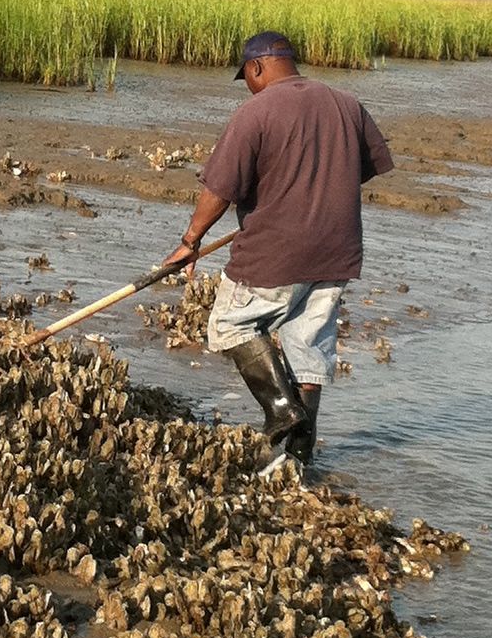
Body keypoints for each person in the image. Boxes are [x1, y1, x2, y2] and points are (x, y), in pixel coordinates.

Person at [169, 30, 394, 475]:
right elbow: (362, 169)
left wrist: (190, 241)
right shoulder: (348, 104)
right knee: (307, 349)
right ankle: (297, 459)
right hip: (337, 252)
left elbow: (220, 190)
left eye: (247, 76)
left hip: (275, 251)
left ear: (257, 67)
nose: (248, 84)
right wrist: (308, 193)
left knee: (228, 325)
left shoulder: (255, 112)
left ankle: (280, 411)